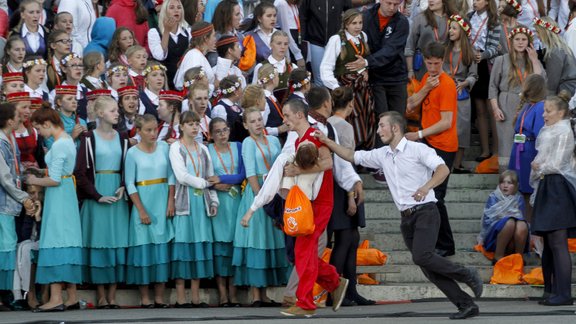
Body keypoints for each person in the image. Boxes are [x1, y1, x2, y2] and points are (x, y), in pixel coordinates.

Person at [315, 110, 484, 320]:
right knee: (427, 267)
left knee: (422, 256)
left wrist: (426, 186)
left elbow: (443, 170)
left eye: (381, 126)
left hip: (426, 212)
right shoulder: (382, 154)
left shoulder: (418, 149)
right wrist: (327, 141)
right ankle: (466, 304)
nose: (378, 131)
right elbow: (351, 155)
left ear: (395, 128)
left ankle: (467, 274)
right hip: (406, 218)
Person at [279, 98, 351, 317]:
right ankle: (333, 282)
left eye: (287, 115)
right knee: (304, 252)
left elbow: (328, 163)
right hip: (309, 201)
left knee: (304, 251)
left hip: (320, 202)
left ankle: (306, 303)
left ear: (300, 115)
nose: (285, 119)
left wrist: (298, 171)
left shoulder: (312, 135)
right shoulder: (302, 137)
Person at [74, 96, 130, 309]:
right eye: (113, 110)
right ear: (100, 113)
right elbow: (80, 172)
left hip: (116, 194)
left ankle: (113, 295)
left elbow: (128, 166)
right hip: (97, 193)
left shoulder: (123, 137)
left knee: (116, 241)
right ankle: (100, 295)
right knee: (100, 242)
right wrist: (96, 195)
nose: (117, 113)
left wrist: (124, 184)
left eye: (117, 110)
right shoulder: (89, 138)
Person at [26, 107, 84, 312]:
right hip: (66, 194)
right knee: (65, 238)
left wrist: (34, 179)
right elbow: (61, 171)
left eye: (39, 128)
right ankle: (71, 296)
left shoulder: (59, 145)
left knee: (56, 239)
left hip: (59, 198)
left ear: (48, 124)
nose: (39, 132)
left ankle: (56, 298)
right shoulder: (67, 141)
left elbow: (55, 179)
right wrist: (42, 170)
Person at [231, 108, 289, 307]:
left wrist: (277, 198)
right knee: (257, 240)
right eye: (253, 121)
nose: (257, 124)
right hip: (258, 195)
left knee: (270, 241)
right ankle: (255, 294)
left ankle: (265, 293)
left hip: (274, 192)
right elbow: (251, 173)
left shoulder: (273, 141)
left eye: (259, 120)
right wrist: (263, 201)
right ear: (246, 125)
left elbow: (281, 167)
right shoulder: (248, 143)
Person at [406, 42, 457, 257]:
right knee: (428, 195)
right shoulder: (427, 79)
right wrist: (426, 88)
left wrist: (418, 135)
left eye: (437, 63)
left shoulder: (446, 84)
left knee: (437, 196)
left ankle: (446, 244)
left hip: (443, 145)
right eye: (429, 63)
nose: (433, 68)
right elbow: (410, 104)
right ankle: (435, 240)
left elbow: (446, 122)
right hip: (429, 143)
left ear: (443, 61)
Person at [326, 87, 372, 305]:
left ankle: (350, 289)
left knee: (351, 239)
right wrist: (350, 195)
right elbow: (344, 162)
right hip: (344, 186)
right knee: (345, 239)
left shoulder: (328, 123)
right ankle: (335, 291)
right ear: (351, 104)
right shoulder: (343, 126)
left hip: (339, 185)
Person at [529, 90, 576, 306]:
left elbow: (557, 163)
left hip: (558, 186)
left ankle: (563, 293)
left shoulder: (564, 130)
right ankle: (551, 289)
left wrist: (539, 167)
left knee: (558, 242)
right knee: (548, 242)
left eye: (548, 111)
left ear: (560, 112)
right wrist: (538, 168)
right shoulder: (549, 130)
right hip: (548, 185)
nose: (544, 115)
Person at [124, 114, 175, 308]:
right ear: (139, 132)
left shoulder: (164, 147)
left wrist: (171, 201)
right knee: (143, 247)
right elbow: (130, 183)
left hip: (162, 198)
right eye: (148, 130)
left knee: (160, 246)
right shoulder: (132, 153)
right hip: (143, 200)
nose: (153, 133)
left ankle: (160, 297)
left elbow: (171, 175)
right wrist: (141, 210)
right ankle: (145, 297)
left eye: (155, 129)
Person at [169, 111, 218, 308]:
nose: (194, 127)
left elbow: (211, 175)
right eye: (189, 123)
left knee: (199, 247)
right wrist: (204, 184)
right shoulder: (175, 147)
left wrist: (214, 201)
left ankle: (196, 297)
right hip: (185, 204)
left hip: (201, 203)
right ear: (181, 126)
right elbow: (182, 176)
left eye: (196, 123)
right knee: (184, 247)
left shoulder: (203, 149)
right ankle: (181, 298)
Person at [346, 0, 409, 153]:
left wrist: (367, 62)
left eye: (396, 4)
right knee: (381, 120)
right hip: (375, 77)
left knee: (398, 121)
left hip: (396, 77)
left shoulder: (402, 22)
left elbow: (391, 49)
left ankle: (399, 157)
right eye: (389, 3)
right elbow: (355, 43)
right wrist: (363, 67)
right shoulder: (365, 17)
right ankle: (380, 158)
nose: (392, 8)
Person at [488, 26, 545, 171]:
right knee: (506, 144)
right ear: (511, 42)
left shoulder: (533, 61)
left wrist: (534, 60)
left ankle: (523, 180)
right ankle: (506, 181)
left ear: (529, 42)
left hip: (527, 105)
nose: (520, 42)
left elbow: (540, 81)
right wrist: (495, 108)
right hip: (506, 104)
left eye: (524, 39)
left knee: (524, 142)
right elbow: (493, 87)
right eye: (517, 39)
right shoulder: (501, 60)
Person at [320, 8, 374, 149]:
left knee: (365, 118)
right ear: (346, 25)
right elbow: (325, 68)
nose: (358, 26)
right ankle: (348, 153)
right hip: (345, 86)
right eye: (353, 23)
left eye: (360, 23)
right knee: (349, 119)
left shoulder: (363, 36)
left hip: (361, 87)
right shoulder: (336, 40)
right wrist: (337, 88)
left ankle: (362, 153)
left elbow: (361, 60)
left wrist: (364, 70)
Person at [0, 103, 35, 312]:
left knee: (8, 246)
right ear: (10, 120)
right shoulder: (1, 142)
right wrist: (24, 198)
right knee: (5, 247)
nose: (22, 116)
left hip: (10, 203)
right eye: (17, 115)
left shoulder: (9, 139)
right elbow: (4, 177)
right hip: (3, 204)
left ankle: (7, 294)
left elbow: (14, 171)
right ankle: (4, 295)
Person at [207, 117, 245, 307]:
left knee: (235, 246)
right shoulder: (207, 150)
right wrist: (215, 185)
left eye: (225, 130)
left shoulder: (238, 146)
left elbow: (242, 174)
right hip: (218, 202)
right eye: (218, 132)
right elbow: (205, 176)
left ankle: (234, 292)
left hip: (236, 199)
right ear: (211, 135)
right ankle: (223, 294)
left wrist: (222, 179)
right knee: (221, 249)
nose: (222, 134)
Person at [508, 74, 545, 224]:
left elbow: (539, 134)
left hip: (529, 150)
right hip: (519, 149)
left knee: (528, 189)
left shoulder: (540, 106)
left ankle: (528, 226)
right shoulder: (528, 105)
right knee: (519, 187)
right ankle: (520, 222)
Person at [443, 14, 478, 173]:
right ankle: (444, 165)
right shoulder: (444, 49)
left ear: (463, 31)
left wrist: (465, 83)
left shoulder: (470, 51)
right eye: (450, 28)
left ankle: (457, 165)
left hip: (461, 92)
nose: (450, 31)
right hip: (445, 91)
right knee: (445, 127)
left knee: (461, 129)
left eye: (454, 28)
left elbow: (473, 75)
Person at [468, 0, 500, 163]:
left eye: (479, 0)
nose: (475, 2)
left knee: (490, 109)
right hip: (473, 64)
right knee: (479, 109)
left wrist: (485, 54)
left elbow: (497, 46)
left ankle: (495, 150)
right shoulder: (469, 17)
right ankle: (484, 150)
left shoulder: (494, 19)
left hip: (487, 65)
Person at [478, 170, 528, 263]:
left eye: (509, 183)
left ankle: (519, 257)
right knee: (509, 222)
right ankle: (498, 256)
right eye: (502, 182)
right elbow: (487, 221)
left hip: (513, 240)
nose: (505, 185)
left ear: (516, 185)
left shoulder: (519, 198)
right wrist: (507, 217)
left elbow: (521, 216)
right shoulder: (494, 196)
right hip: (495, 238)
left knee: (522, 224)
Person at [406, 0, 455, 80]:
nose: (430, 1)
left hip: (444, 66)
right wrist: (410, 70)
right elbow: (410, 45)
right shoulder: (420, 18)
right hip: (423, 66)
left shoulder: (452, 19)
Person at [148, 0, 192, 90]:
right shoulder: (154, 32)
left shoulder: (187, 31)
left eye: (179, 8)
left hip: (184, 83)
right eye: (172, 8)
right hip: (165, 83)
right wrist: (167, 31)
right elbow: (160, 56)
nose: (176, 10)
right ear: (165, 12)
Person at [533, 16, 576, 95]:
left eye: (538, 32)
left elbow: (552, 85)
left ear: (544, 32)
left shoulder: (554, 52)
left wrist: (547, 104)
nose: (537, 35)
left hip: (564, 93)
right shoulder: (562, 47)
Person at [174, 21, 217, 91]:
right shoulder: (194, 57)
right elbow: (193, 85)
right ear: (206, 38)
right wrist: (214, 86)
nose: (215, 39)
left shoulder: (197, 54)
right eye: (213, 36)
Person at [274, 0, 306, 68]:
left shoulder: (294, 4)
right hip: (289, 43)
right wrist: (298, 55)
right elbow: (285, 31)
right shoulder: (282, 3)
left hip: (295, 39)